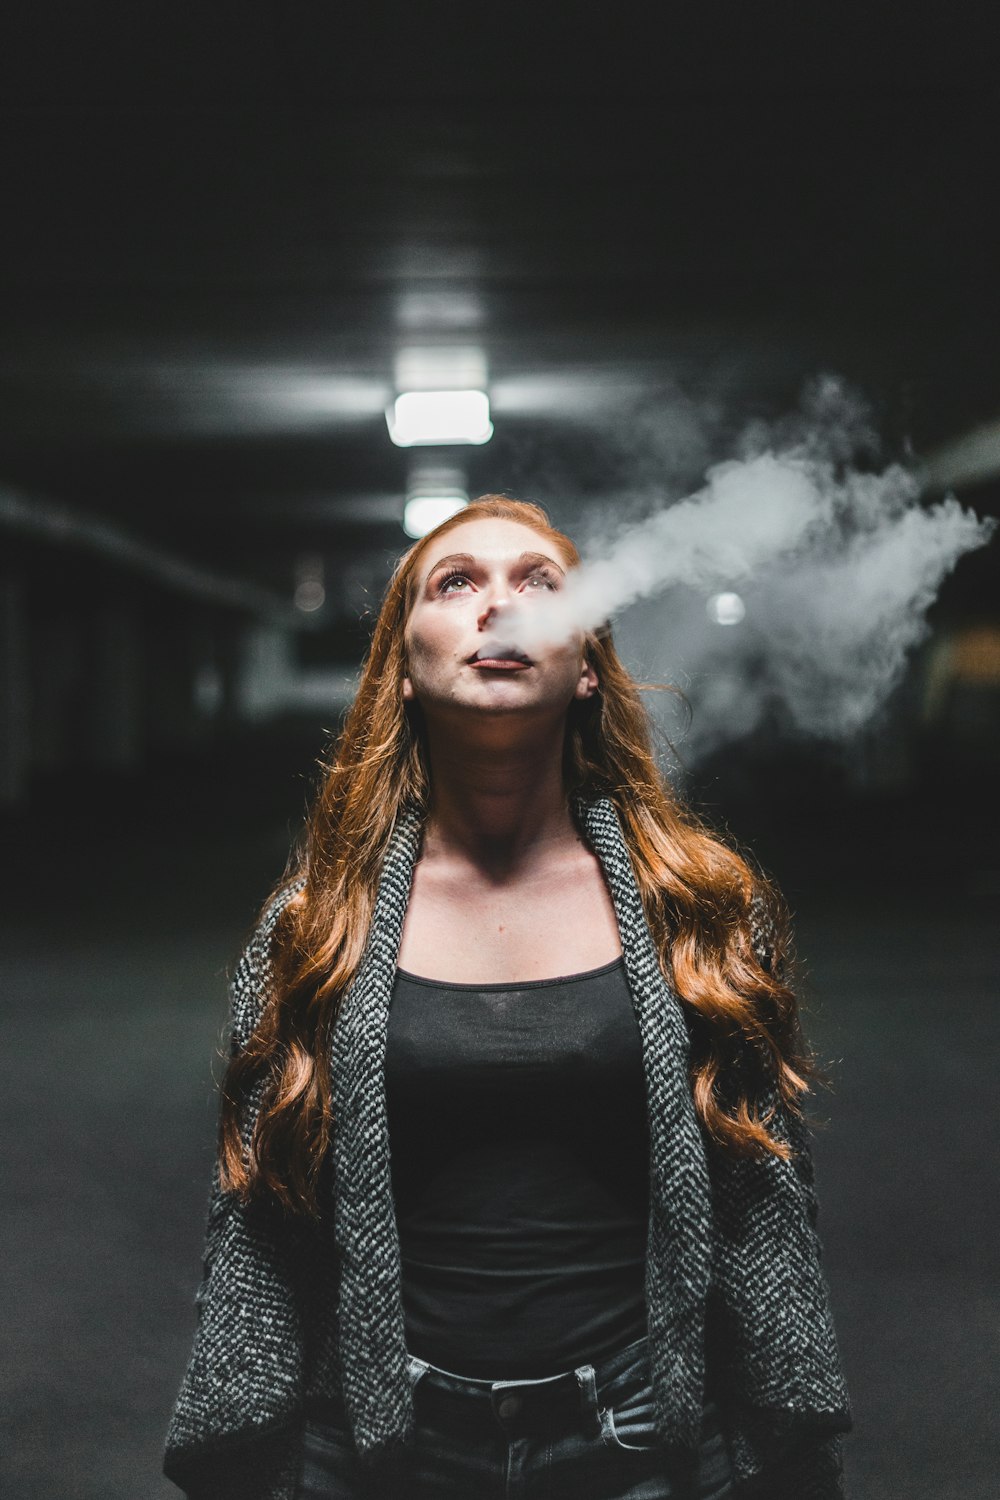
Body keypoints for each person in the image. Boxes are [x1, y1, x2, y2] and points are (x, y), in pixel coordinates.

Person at [164, 495, 853, 1500]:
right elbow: (259, 1214)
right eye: (457, 582)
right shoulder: (316, 927)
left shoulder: (698, 907)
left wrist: (783, 1439)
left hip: (640, 1439)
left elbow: (761, 1197)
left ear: (584, 667)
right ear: (401, 667)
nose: (500, 605)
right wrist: (241, 1439)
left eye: (540, 583)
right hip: (371, 1444)